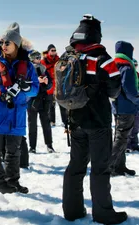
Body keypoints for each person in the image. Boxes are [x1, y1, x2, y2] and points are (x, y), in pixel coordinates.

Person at [62, 14, 127, 224]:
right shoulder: (102, 57)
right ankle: (103, 212)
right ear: (96, 34)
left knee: (76, 166)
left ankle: (72, 210)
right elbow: (115, 89)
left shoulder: (69, 55)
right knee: (100, 167)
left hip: (75, 118)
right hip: (98, 121)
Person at [0, 22, 39, 194]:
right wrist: (0, 93)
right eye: (2, 42)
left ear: (16, 44)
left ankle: (12, 182)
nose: (3, 46)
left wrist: (26, 88)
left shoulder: (28, 66)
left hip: (17, 114)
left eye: (7, 42)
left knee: (14, 152)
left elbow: (36, 89)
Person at [110, 41, 139, 176]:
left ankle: (119, 166)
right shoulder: (127, 67)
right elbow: (129, 89)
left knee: (120, 137)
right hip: (126, 107)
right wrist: (137, 99)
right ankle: (110, 166)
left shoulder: (115, 65)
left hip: (117, 106)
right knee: (121, 138)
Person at [27, 50, 54, 153]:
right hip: (32, 100)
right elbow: (25, 83)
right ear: (31, 59)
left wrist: (47, 83)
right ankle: (32, 147)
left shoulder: (43, 68)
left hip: (43, 99)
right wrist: (36, 81)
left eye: (39, 57)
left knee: (46, 123)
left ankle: (49, 145)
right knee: (32, 124)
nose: (38, 59)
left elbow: (50, 84)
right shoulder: (28, 69)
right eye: (36, 58)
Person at [41, 44, 68, 128]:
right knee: (51, 105)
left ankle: (65, 121)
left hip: (59, 86)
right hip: (49, 87)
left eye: (54, 50)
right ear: (48, 51)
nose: (54, 52)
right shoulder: (43, 61)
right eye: (52, 50)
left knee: (62, 104)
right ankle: (52, 121)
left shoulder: (59, 60)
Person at [127, 59, 139, 151]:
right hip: (128, 104)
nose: (135, 67)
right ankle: (126, 145)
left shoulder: (137, 75)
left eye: (136, 65)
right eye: (133, 65)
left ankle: (134, 144)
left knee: (136, 125)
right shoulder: (127, 74)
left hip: (137, 104)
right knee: (127, 126)